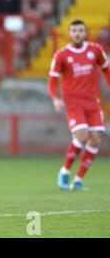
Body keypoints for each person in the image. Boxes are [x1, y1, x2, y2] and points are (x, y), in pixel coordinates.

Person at [48, 19, 110, 191]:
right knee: (82, 135)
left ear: (85, 32)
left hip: (92, 101)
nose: (77, 33)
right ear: (69, 33)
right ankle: (64, 171)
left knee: (96, 138)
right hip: (73, 102)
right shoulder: (61, 55)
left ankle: (78, 180)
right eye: (74, 30)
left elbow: (106, 69)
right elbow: (52, 80)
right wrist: (55, 98)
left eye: (80, 30)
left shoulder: (95, 50)